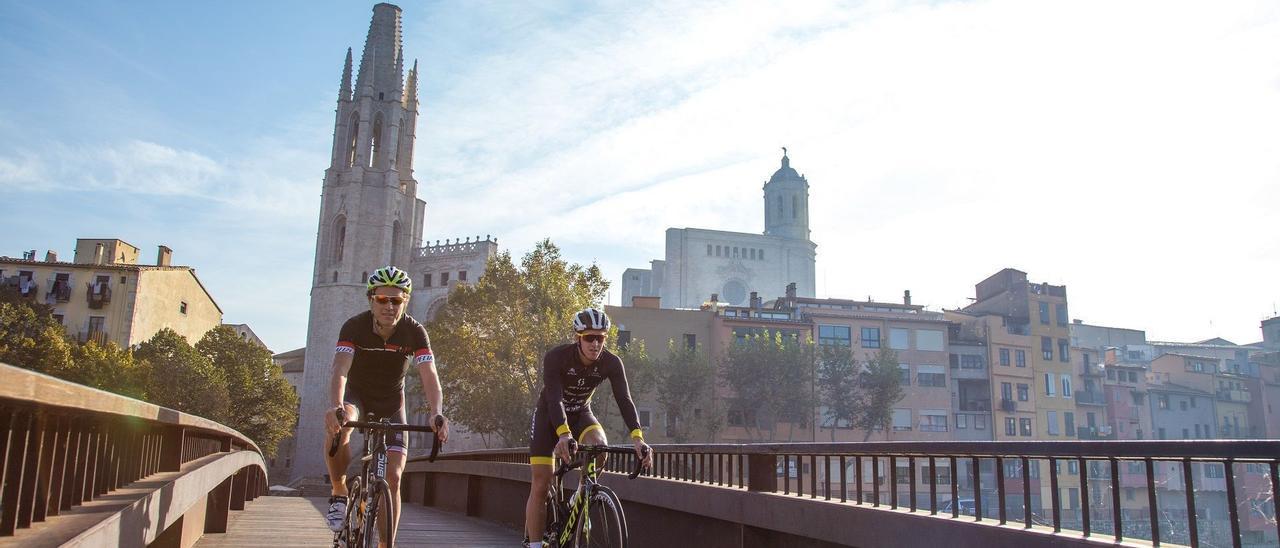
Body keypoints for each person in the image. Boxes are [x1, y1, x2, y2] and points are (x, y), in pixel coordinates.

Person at [322, 266, 449, 545]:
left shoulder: (415, 332)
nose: (389, 306)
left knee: (393, 477)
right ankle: (339, 490)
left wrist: (436, 412)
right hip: (358, 396)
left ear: (405, 301)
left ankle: (385, 544)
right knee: (340, 426)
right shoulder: (354, 326)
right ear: (371, 299)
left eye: (397, 300)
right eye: (382, 299)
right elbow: (340, 370)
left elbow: (430, 375)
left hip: (392, 402)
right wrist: (335, 406)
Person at [523, 307, 653, 548]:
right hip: (549, 417)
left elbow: (625, 400)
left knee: (600, 446)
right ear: (578, 338)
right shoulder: (556, 358)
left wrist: (638, 438)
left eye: (601, 338)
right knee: (541, 483)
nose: (595, 344)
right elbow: (554, 400)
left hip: (581, 413)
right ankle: (534, 544)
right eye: (589, 338)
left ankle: (583, 493)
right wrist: (563, 434)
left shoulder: (611, 363)